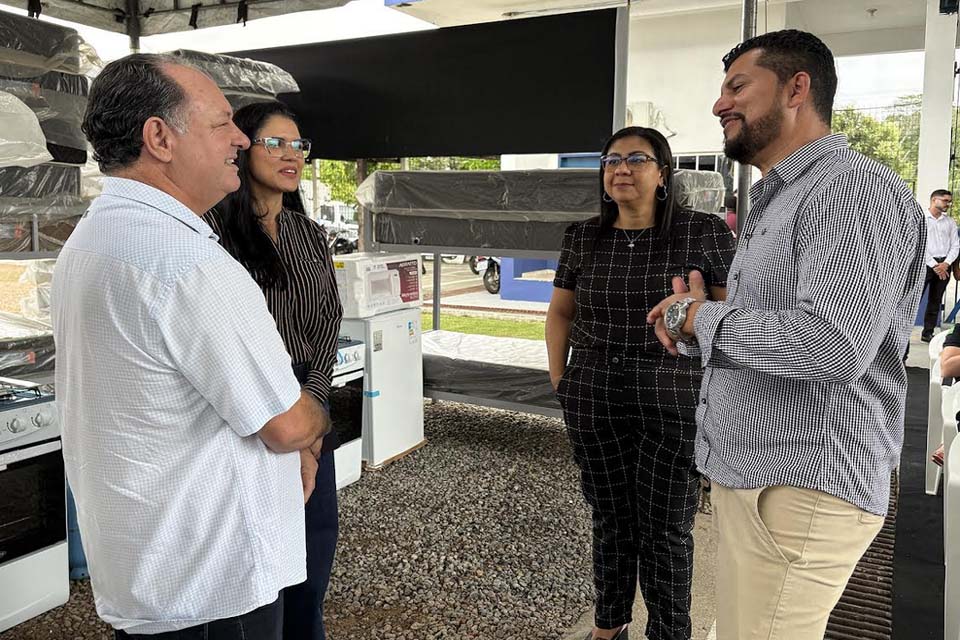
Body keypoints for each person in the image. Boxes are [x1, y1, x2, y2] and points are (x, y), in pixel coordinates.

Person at [648, 30, 925, 640]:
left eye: (737, 86)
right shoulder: (787, 192)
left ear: (797, 87)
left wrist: (698, 319)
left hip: (800, 488)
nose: (719, 104)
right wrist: (710, 307)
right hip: (766, 480)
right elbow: (793, 318)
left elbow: (835, 342)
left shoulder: (849, 188)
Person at [51, 54, 330, 639]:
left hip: (155, 565)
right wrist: (316, 420)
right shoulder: (187, 260)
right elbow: (282, 423)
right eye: (221, 123)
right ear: (160, 137)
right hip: (213, 582)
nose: (237, 139)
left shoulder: (97, 236)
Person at [546, 126, 735, 640]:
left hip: (671, 397)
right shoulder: (583, 236)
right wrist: (563, 380)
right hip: (594, 395)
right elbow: (561, 314)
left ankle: (670, 632)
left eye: (636, 158)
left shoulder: (703, 233)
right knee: (609, 516)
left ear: (663, 173)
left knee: (666, 528)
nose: (621, 169)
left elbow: (729, 315)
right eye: (611, 160)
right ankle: (610, 625)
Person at [206, 101, 343, 640]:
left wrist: (311, 415)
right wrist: (291, 422)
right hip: (253, 422)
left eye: (299, 145)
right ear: (244, 148)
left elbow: (327, 322)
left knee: (312, 559)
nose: (292, 155)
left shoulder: (309, 235)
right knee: (260, 576)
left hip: (310, 410)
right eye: (276, 144)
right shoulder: (213, 233)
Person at [922, 189, 957, 342]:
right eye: (945, 201)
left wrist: (946, 263)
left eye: (949, 201)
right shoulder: (921, 219)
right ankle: (904, 334)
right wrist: (935, 265)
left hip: (945, 264)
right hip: (924, 265)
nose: (948, 204)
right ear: (934, 199)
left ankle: (927, 333)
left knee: (935, 300)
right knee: (913, 300)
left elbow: (956, 245)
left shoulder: (949, 222)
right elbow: (919, 245)